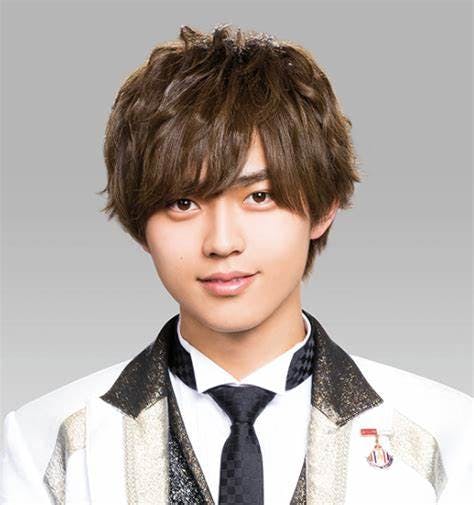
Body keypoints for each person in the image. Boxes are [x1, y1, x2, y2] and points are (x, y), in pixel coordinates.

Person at [1, 23, 472, 505]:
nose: (222, 242)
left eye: (259, 196)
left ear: (324, 206)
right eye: (183, 202)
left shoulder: (448, 438)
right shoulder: (46, 444)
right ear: (141, 224)